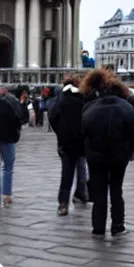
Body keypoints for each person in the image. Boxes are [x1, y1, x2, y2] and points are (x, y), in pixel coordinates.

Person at [80, 69, 134, 237]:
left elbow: (83, 132)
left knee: (99, 192)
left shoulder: (89, 108)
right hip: (119, 157)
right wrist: (127, 151)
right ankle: (118, 226)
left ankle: (98, 228)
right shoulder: (126, 107)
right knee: (116, 190)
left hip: (96, 157)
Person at [49, 74, 88, 216]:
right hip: (81, 141)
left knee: (67, 173)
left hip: (65, 142)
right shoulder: (83, 99)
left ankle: (63, 204)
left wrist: (60, 132)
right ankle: (81, 193)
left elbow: (53, 117)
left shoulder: (61, 100)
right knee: (82, 167)